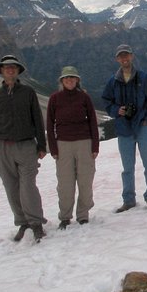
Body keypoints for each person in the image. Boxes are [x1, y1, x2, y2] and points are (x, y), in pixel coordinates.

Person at [0, 55, 47, 242]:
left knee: (28, 186)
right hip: (3, 146)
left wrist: (42, 145)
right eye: (6, 68)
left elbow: (37, 118)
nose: (10, 70)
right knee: (11, 187)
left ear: (18, 71)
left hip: (27, 144)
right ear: (2, 71)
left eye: (13, 67)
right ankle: (23, 223)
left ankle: (35, 223)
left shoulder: (28, 92)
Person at [102, 44, 147, 212]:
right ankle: (129, 200)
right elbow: (106, 101)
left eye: (126, 55)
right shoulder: (112, 81)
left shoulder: (144, 78)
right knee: (127, 168)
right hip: (124, 128)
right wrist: (116, 110)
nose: (124, 58)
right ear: (117, 59)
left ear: (132, 56)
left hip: (142, 126)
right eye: (121, 56)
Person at [46, 66, 100, 230]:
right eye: (66, 78)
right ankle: (65, 216)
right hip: (63, 144)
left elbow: (92, 121)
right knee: (65, 184)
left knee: (85, 181)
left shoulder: (84, 97)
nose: (69, 80)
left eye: (72, 77)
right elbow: (49, 123)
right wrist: (53, 148)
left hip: (84, 142)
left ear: (77, 80)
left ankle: (83, 215)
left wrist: (95, 146)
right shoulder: (54, 98)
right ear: (62, 81)